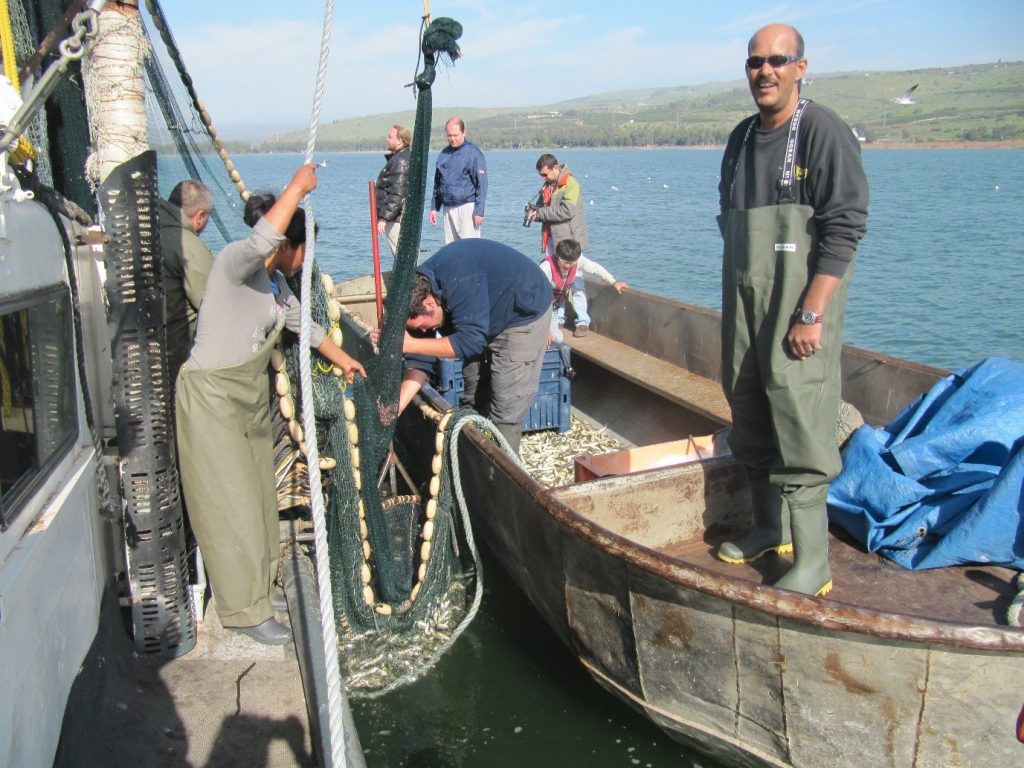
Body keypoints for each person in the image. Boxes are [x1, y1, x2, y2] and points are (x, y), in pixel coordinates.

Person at [175, 164, 366, 645]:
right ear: (286, 243)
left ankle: (260, 592)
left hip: (249, 404)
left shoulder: (277, 291)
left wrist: (345, 360)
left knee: (260, 500)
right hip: (212, 401)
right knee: (230, 505)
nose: (306, 257)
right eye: (304, 246)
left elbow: (307, 328)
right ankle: (243, 612)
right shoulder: (235, 265)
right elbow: (262, 241)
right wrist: (297, 188)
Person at [715, 23, 869, 596]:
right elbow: (729, 226)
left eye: (778, 60)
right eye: (756, 62)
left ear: (801, 67)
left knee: (802, 421)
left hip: (798, 307)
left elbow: (845, 227)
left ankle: (813, 562)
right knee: (748, 408)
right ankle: (768, 526)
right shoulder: (739, 139)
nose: (765, 71)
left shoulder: (823, 132)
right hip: (744, 302)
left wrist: (811, 311)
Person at [390, 239, 551, 453]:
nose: (424, 332)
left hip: (522, 312)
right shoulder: (415, 297)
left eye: (423, 327)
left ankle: (503, 467)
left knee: (506, 405)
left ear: (429, 303)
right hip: (484, 311)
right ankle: (475, 445)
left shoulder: (460, 280)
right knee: (473, 390)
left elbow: (470, 343)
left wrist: (412, 344)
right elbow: (421, 355)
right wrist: (398, 405)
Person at [160, 179, 214, 386]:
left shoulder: (150, 229)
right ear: (200, 216)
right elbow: (212, 303)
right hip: (179, 356)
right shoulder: (187, 245)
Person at [539, 239, 626, 341]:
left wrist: (614, 282)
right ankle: (557, 320)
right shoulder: (545, 267)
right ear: (557, 257)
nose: (567, 266)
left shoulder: (578, 261)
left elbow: (595, 268)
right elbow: (536, 296)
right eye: (564, 262)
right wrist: (546, 328)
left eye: (571, 262)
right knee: (556, 338)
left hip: (558, 301)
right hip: (546, 308)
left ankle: (582, 322)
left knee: (578, 278)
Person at [428, 117, 487, 242]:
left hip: (467, 208)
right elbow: (438, 184)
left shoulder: (474, 154)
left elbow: (482, 184)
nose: (452, 139)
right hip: (448, 208)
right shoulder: (443, 155)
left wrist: (479, 211)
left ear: (464, 132)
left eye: (455, 135)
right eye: (449, 135)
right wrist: (434, 208)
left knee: (470, 249)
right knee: (451, 249)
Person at [375, 124, 412, 256]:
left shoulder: (401, 160)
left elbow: (397, 192)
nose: (387, 139)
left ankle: (412, 277)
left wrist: (384, 218)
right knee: (404, 253)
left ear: (400, 140)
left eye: (390, 137)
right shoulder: (401, 157)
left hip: (397, 218)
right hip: (397, 216)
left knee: (402, 254)